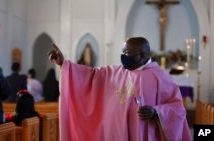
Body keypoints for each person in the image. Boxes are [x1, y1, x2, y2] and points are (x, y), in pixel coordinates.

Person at [48, 37, 192, 141]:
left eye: (127, 53)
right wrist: (64, 64)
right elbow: (92, 75)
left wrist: (156, 112)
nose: (123, 57)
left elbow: (177, 109)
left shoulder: (160, 78)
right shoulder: (116, 72)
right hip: (116, 133)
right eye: (122, 52)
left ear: (141, 55)